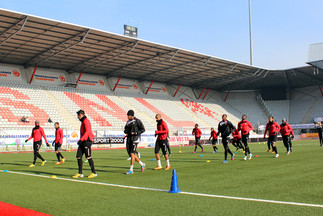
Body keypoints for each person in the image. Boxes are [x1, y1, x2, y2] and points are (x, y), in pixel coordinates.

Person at [72, 110, 97, 179]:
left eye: (78, 115)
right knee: (78, 156)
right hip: (83, 141)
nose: (77, 117)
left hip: (87, 141)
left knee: (88, 156)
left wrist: (81, 139)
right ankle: (80, 173)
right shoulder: (83, 121)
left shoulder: (86, 121)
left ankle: (94, 172)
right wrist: (81, 140)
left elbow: (88, 131)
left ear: (80, 115)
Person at [124, 110, 146, 175]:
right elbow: (125, 129)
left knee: (132, 153)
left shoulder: (137, 121)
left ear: (131, 115)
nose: (127, 117)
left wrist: (136, 133)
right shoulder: (128, 122)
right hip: (129, 139)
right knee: (131, 154)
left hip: (135, 139)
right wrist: (126, 131)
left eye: (128, 115)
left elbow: (143, 129)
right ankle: (142, 164)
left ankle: (131, 169)